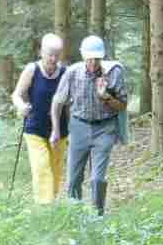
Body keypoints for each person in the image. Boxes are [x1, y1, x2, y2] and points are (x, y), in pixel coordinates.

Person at [51, 35, 130, 215]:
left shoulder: (114, 73)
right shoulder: (72, 73)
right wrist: (56, 130)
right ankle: (74, 214)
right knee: (73, 178)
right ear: (83, 56)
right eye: (90, 58)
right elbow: (57, 102)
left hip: (105, 128)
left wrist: (106, 96)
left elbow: (123, 105)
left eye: (97, 58)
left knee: (97, 178)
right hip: (79, 126)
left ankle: (97, 215)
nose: (93, 62)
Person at [11, 34, 69, 204]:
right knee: (41, 166)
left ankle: (53, 200)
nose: (53, 58)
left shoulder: (65, 72)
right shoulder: (32, 70)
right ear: (41, 52)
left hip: (60, 129)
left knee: (56, 168)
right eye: (50, 54)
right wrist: (21, 106)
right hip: (35, 128)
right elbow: (16, 95)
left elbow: (69, 101)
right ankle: (45, 204)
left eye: (57, 55)